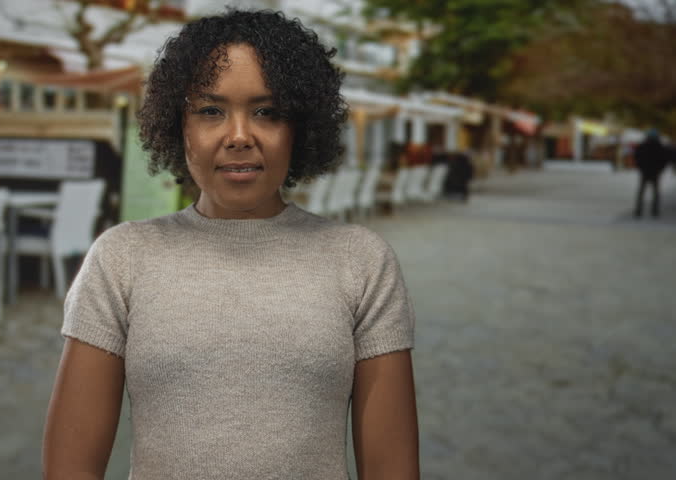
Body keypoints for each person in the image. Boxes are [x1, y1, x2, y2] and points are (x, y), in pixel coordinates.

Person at [42, 9, 418, 480]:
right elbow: (69, 469)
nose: (239, 136)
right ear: (178, 126)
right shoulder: (121, 260)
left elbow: (392, 470)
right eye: (210, 111)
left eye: (267, 112)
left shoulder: (361, 262)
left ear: (299, 127)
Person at [633, 129, 670, 218]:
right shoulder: (660, 147)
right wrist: (660, 169)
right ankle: (654, 210)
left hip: (645, 171)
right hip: (655, 172)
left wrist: (641, 167)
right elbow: (665, 160)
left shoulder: (643, 146)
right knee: (655, 192)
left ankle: (639, 210)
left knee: (642, 192)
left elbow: (637, 158)